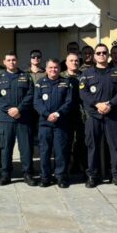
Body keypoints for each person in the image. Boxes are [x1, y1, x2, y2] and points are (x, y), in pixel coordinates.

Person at [79, 44, 117, 189]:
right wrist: (97, 105)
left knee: (116, 147)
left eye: (104, 53)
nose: (101, 55)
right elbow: (83, 93)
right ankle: (92, 176)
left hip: (113, 116)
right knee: (92, 146)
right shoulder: (86, 74)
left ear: (108, 55)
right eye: (98, 53)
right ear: (94, 56)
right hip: (94, 116)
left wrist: (110, 105)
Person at [0, 51, 36, 186]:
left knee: (26, 148)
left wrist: (19, 109)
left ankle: (27, 174)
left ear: (17, 61)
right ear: (4, 62)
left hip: (23, 118)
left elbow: (31, 95)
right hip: (6, 120)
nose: (11, 62)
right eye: (8, 60)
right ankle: (5, 175)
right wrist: (9, 110)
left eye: (14, 60)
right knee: (6, 148)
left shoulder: (26, 77)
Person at [34, 58, 73, 188]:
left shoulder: (66, 83)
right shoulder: (40, 83)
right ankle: (45, 177)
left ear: (60, 69)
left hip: (61, 123)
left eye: (56, 67)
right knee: (45, 151)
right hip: (45, 123)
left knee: (60, 151)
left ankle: (61, 176)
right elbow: (37, 102)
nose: (53, 70)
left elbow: (69, 102)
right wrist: (47, 114)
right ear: (46, 69)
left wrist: (57, 114)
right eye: (50, 67)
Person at [61, 53, 86, 175]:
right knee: (66, 141)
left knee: (81, 140)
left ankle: (78, 164)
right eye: (71, 60)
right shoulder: (61, 77)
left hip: (81, 113)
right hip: (65, 114)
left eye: (76, 61)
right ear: (66, 63)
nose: (74, 63)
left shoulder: (85, 76)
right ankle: (65, 166)